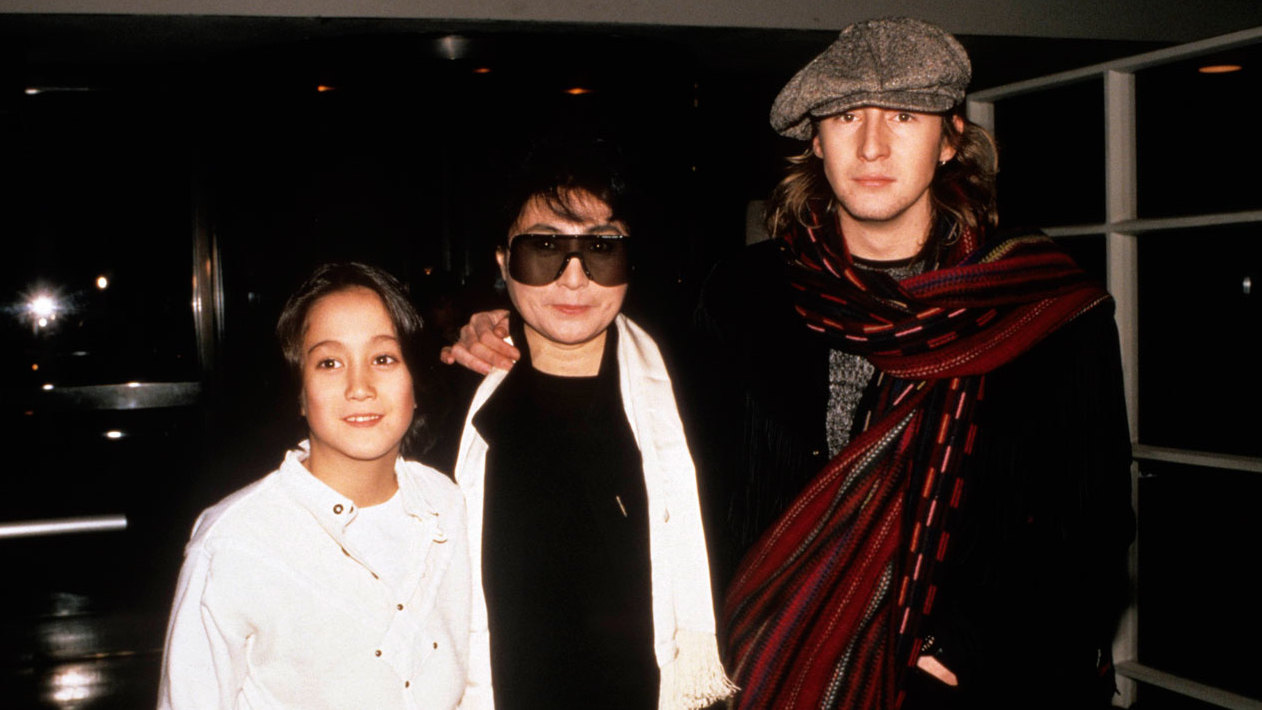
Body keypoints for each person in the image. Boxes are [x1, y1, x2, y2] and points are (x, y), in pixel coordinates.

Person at [442, 18, 1134, 710]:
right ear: (815, 138)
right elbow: (626, 397)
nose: (872, 144)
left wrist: (971, 645)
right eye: (845, 116)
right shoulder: (747, 295)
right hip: (770, 672)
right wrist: (499, 329)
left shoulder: (1046, 309)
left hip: (962, 690)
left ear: (951, 140)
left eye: (905, 115)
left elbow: (1093, 535)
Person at [451, 140, 734, 710]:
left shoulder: (697, 403)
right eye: (544, 247)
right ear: (503, 262)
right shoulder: (448, 408)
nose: (574, 278)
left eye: (602, 248)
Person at [159, 263, 469, 710]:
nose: (359, 387)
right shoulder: (234, 541)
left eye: (383, 358)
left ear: (415, 381)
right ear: (300, 393)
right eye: (329, 362)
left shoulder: (448, 505)